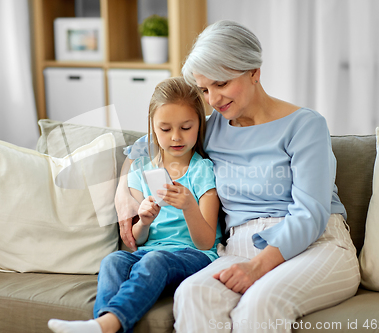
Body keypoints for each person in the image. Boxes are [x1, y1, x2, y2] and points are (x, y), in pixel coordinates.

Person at [115, 21, 360, 332]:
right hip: (239, 247)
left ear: (254, 71)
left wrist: (258, 267)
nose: (214, 99)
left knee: (261, 304)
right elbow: (146, 144)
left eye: (221, 84)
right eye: (204, 90)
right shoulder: (211, 128)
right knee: (192, 294)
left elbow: (311, 213)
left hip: (318, 244)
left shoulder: (305, 126)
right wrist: (123, 190)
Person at [48, 77, 222, 333]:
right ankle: (103, 325)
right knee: (113, 261)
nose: (176, 137)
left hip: (194, 256)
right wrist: (145, 221)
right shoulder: (141, 170)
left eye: (186, 127)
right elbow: (139, 241)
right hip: (149, 252)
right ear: (152, 127)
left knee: (156, 260)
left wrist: (189, 207)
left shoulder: (202, 171)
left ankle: (106, 324)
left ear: (199, 125)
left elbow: (206, 242)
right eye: (165, 129)